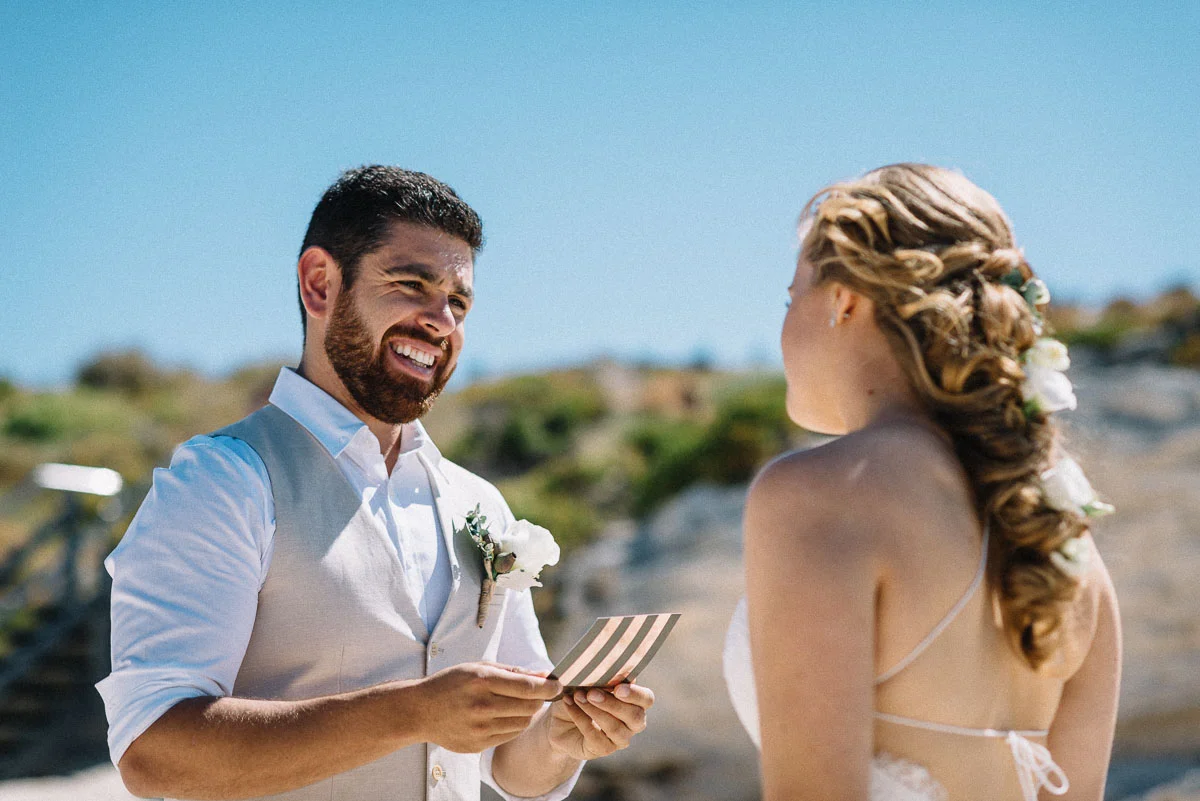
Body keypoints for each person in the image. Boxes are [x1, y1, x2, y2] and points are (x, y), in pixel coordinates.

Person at [98, 165, 654, 801]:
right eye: (412, 284)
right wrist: (412, 713)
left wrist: (561, 737)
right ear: (320, 284)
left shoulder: (480, 504)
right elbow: (154, 754)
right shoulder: (223, 481)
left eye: (460, 302)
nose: (441, 320)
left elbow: (508, 766)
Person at [723, 163, 1121, 801]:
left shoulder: (820, 493)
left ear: (845, 298)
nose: (783, 323)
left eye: (790, 294)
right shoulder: (1065, 548)